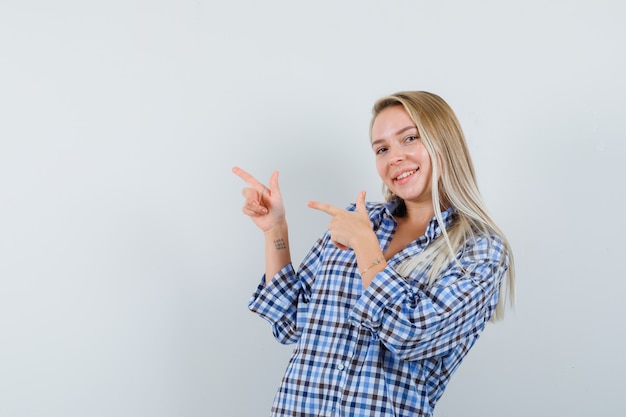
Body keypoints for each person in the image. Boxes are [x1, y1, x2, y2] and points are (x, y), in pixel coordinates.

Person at [232, 91, 515, 417]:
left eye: (409, 138)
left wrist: (365, 246)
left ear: (445, 143)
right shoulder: (361, 220)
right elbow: (292, 320)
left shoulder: (481, 251)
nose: (394, 157)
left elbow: (411, 335)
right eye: (382, 149)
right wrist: (275, 230)